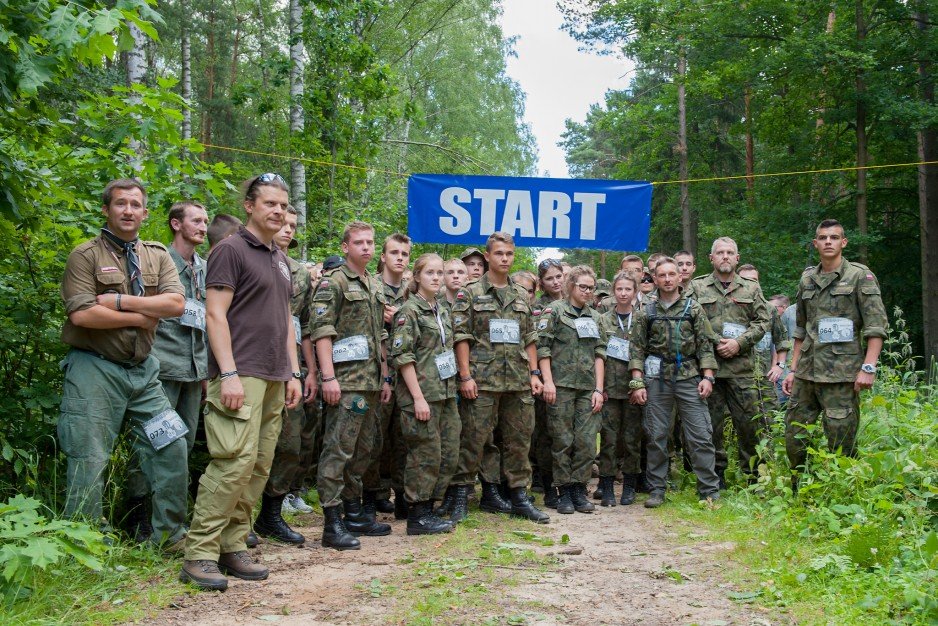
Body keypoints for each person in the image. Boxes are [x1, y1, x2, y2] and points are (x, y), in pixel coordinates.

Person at [181, 173, 302, 591]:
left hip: (273, 375)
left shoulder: (281, 260)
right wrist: (228, 373)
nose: (278, 212)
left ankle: (233, 545)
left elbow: (286, 321)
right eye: (270, 204)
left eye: (283, 206)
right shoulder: (230, 250)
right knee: (232, 462)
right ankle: (199, 552)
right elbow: (215, 314)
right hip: (240, 373)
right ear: (249, 206)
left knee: (257, 465)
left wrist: (293, 372)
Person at [58, 178, 188, 551]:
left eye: (135, 204)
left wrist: (117, 303)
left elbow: (175, 305)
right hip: (94, 370)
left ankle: (169, 535)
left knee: (171, 444)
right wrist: (144, 315)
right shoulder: (85, 255)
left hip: (144, 373)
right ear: (106, 210)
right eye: (120, 204)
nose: (128, 210)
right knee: (89, 455)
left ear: (146, 213)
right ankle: (83, 546)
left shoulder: (157, 255)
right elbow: (82, 316)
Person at [450, 232, 549, 524]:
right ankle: (460, 495)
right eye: (499, 254)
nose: (504, 259)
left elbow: (529, 337)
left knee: (520, 439)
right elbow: (461, 336)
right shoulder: (469, 292)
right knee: (473, 438)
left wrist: (534, 373)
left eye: (509, 254)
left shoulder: (520, 294)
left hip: (518, 379)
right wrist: (465, 376)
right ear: (488, 256)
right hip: (483, 378)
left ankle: (518, 495)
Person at [782, 219, 887, 492]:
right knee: (794, 435)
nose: (828, 241)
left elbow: (876, 327)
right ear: (815, 243)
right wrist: (792, 370)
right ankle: (799, 490)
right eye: (823, 237)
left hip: (842, 373)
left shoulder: (860, 277)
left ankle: (841, 493)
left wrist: (869, 367)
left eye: (834, 237)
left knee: (841, 439)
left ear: (844, 242)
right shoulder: (807, 279)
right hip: (807, 371)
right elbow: (801, 329)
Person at [125, 201, 209, 543]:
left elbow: (203, 319)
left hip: (192, 369)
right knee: (151, 441)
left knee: (182, 445)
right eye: (196, 220)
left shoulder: (202, 266)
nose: (203, 226)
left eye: (205, 221)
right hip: (162, 365)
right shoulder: (159, 262)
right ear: (176, 224)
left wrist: (205, 371)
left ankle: (170, 519)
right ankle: (137, 517)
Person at [309, 221, 394, 550]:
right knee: (338, 450)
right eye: (359, 242)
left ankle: (354, 513)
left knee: (363, 450)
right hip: (346, 383)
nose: (367, 248)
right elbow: (321, 331)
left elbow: (380, 336)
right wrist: (328, 377)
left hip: (371, 382)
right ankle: (331, 522)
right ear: (345, 247)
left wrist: (385, 376)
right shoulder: (335, 283)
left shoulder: (374, 283)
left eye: (370, 242)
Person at [629, 258, 720, 508]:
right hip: (657, 379)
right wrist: (637, 382)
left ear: (681, 277)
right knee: (656, 435)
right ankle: (657, 488)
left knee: (700, 434)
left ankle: (709, 490)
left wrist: (708, 377)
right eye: (662, 275)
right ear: (654, 279)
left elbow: (705, 345)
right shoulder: (645, 311)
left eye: (672, 274)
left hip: (690, 377)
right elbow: (636, 348)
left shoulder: (694, 308)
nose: (667, 279)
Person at [688, 238, 772, 488]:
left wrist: (739, 343)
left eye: (730, 253)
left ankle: (751, 476)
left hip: (742, 369)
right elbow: (688, 319)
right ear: (711, 258)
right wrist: (714, 341)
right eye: (720, 253)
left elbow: (764, 321)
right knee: (710, 427)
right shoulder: (696, 287)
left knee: (748, 425)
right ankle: (716, 477)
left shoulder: (751, 288)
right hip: (708, 368)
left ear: (737, 258)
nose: (725, 256)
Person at [253, 206, 315, 544]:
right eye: (284, 224)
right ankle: (238, 518)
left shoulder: (300, 274)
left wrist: (310, 372)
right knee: (247, 445)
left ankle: (271, 514)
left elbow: (303, 326)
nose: (288, 230)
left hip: (289, 366)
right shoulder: (250, 258)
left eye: (293, 225)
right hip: (254, 360)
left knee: (291, 442)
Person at [389, 254, 460, 534]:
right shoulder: (410, 311)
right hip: (421, 394)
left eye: (439, 273)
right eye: (430, 272)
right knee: (424, 454)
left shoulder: (441, 309)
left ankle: (431, 506)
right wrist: (417, 397)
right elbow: (402, 356)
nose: (436, 277)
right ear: (417, 276)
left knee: (449, 452)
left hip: (444, 392)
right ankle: (417, 515)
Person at [537, 266, 607, 514]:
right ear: (571, 286)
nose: (587, 292)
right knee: (562, 440)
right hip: (561, 386)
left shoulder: (596, 317)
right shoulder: (554, 311)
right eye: (583, 287)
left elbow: (600, 353)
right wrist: (548, 382)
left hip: (587, 388)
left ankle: (579, 488)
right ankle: (563, 490)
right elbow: (542, 348)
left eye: (591, 288)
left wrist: (599, 389)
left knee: (587, 442)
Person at [366, 233, 412, 518]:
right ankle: (373, 494)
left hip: (407, 374)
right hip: (376, 373)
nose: (399, 258)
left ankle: (402, 493)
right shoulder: (370, 287)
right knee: (375, 438)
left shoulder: (412, 290)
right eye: (394, 252)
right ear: (382, 256)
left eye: (404, 254)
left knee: (404, 437)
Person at [597, 272, 643, 506]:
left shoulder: (643, 319)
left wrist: (640, 384)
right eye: (619, 289)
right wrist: (600, 386)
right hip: (610, 390)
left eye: (628, 289)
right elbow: (598, 354)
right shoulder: (603, 320)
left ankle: (629, 486)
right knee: (609, 439)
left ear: (635, 292)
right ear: (614, 292)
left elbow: (646, 352)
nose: (623, 293)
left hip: (634, 389)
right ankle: (605, 487)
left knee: (632, 439)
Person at [737, 265, 791, 415]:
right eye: (744, 280)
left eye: (754, 280)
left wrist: (779, 365)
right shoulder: (729, 308)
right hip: (737, 378)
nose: (750, 284)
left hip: (764, 378)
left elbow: (782, 340)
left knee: (769, 417)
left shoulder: (769, 310)